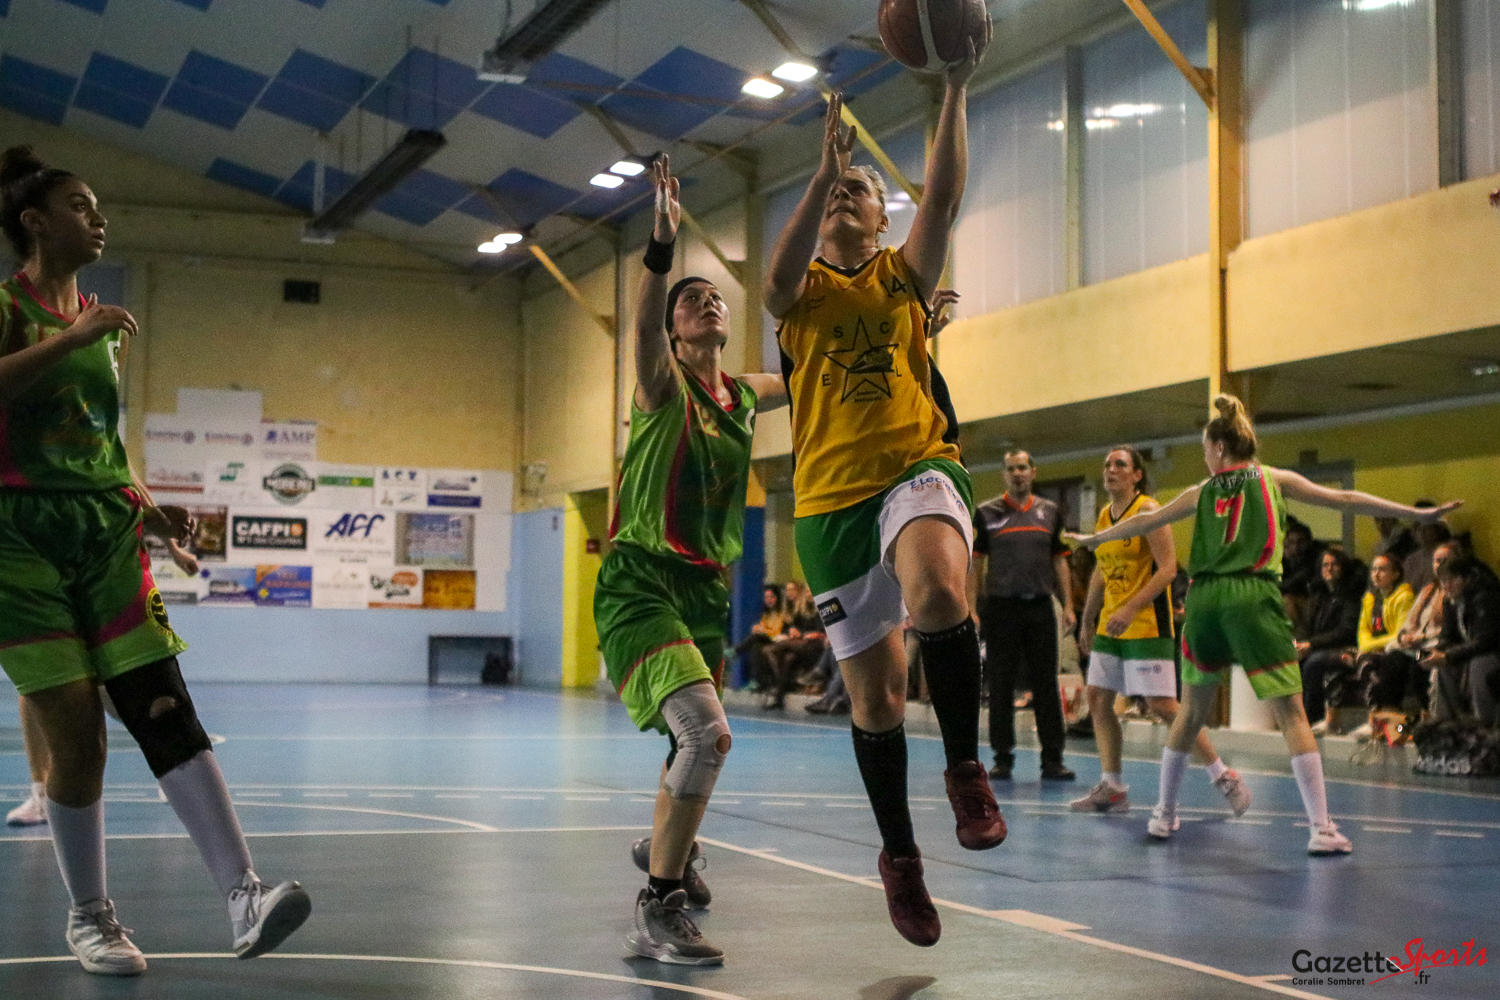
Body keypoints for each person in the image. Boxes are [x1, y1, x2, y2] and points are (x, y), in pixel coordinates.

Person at [0, 145, 309, 975]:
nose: (97, 217)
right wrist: (70, 339)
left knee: (162, 701)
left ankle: (244, 894)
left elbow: (103, 444)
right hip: (17, 540)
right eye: (79, 205)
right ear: (34, 222)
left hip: (103, 530)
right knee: (77, 737)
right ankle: (91, 917)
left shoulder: (101, 327)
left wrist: (149, 512)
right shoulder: (17, 311)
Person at [762, 15, 1000, 948]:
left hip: (914, 466)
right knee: (877, 701)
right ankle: (900, 856)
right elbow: (774, 276)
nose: (843, 196)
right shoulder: (801, 296)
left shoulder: (904, 278)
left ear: (880, 217)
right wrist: (821, 169)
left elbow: (944, 194)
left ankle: (967, 769)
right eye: (836, 190)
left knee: (938, 590)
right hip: (828, 503)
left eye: (859, 189)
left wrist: (954, 87)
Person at [1067, 394, 1459, 856]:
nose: (1205, 458)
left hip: (1205, 601)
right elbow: (1344, 499)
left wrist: (1092, 538)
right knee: (1291, 713)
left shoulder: (1203, 489)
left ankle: (1163, 815)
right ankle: (1322, 828)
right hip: (1253, 596)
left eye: (1205, 449)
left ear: (1219, 448)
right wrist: (1415, 514)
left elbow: (1144, 521)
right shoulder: (1273, 479)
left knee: (1189, 713)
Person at [595, 155, 786, 966]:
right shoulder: (661, 383)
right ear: (676, 331)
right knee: (707, 735)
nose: (707, 302)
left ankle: (664, 847)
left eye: (715, 298)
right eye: (690, 300)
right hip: (641, 582)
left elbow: (818, 369)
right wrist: (661, 249)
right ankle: (660, 902)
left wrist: (912, 331)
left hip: (705, 588)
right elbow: (641, 328)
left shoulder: (742, 395)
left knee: (690, 745)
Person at [1070, 447, 1250, 816]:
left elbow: (1168, 568)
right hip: (1111, 624)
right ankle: (1112, 787)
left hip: (1147, 622)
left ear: (1137, 475)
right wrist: (1088, 618)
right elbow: (1102, 568)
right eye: (1107, 464)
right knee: (1098, 698)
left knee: (1162, 705)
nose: (1111, 469)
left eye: (1120, 464)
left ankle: (1223, 775)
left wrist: (1131, 607)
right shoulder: (1104, 516)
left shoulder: (1149, 510)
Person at [970, 450, 1076, 781]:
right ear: (1004, 475)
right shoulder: (986, 513)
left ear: (1033, 472)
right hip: (1001, 609)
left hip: (1040, 607)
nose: (1017, 473)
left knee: (1046, 684)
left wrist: (1069, 605)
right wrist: (971, 608)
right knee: (1001, 684)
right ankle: (1002, 758)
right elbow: (976, 562)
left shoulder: (1050, 512)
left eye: (1022, 468)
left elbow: (1060, 560)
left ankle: (1053, 759)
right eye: (1011, 469)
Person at [1296, 549, 1363, 733]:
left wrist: (1311, 645)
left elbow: (1345, 631)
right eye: (1325, 565)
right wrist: (1300, 643)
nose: (1329, 568)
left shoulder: (1352, 596)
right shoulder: (1318, 596)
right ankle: (1293, 718)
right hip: (1318, 647)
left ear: (1343, 568)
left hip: (1344, 648)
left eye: (1334, 564)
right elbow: (1306, 626)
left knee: (1313, 663)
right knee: (1292, 660)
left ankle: (1311, 718)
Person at [1429, 556, 1500, 727]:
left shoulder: (1485, 597)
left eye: (1452, 579)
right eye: (1443, 581)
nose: (1447, 585)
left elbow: (1485, 641)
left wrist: (1449, 656)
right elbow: (1447, 636)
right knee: (1442, 667)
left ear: (1466, 578)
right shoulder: (1450, 601)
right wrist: (1437, 653)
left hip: (1491, 653)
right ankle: (1446, 722)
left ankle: (1483, 722)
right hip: (1471, 652)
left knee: (1479, 664)